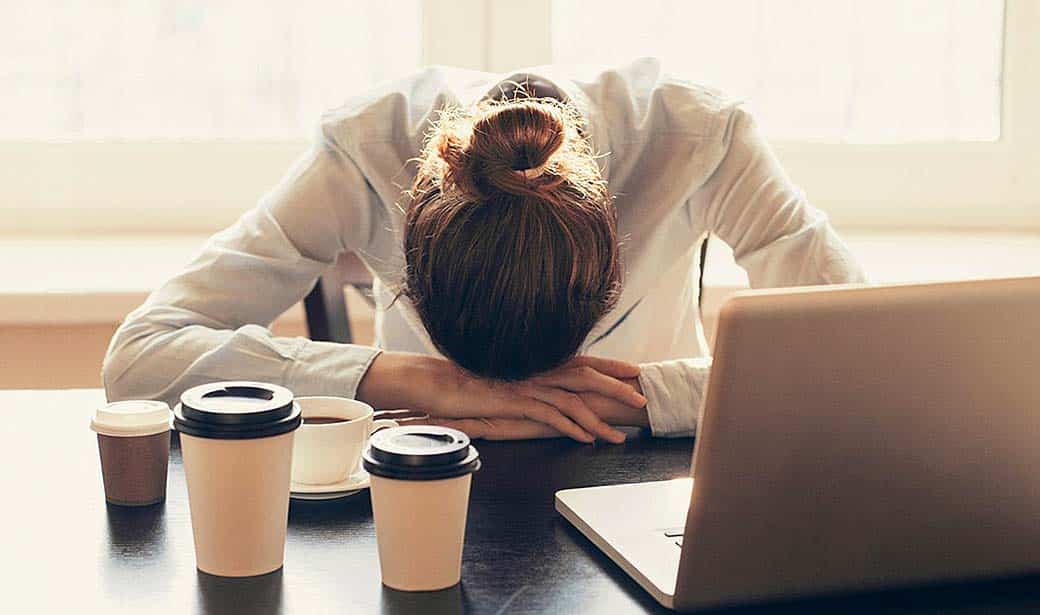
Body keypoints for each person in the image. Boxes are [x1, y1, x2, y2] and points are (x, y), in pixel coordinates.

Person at [103, 58, 867, 442]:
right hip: (432, 461)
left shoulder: (702, 138)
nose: (527, 395)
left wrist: (642, 396)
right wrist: (416, 380)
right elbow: (140, 356)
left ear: (610, 251)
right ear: (413, 241)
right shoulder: (367, 147)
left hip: (650, 478)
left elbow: (867, 357)